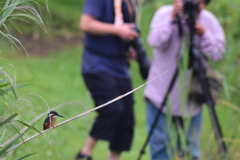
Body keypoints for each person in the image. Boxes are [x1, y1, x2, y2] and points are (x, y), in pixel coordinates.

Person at [144, 0, 225, 159]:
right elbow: (154, 41)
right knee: (160, 147)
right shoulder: (164, 14)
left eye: (199, 3)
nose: (194, 7)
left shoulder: (208, 20)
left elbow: (219, 53)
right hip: (160, 96)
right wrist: (172, 17)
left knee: (190, 149)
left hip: (191, 99)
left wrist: (204, 34)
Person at [74, 0, 139, 160]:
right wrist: (117, 31)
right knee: (112, 108)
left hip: (120, 66)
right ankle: (85, 153)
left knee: (126, 118)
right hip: (97, 64)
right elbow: (86, 24)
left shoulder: (129, 3)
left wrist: (129, 48)